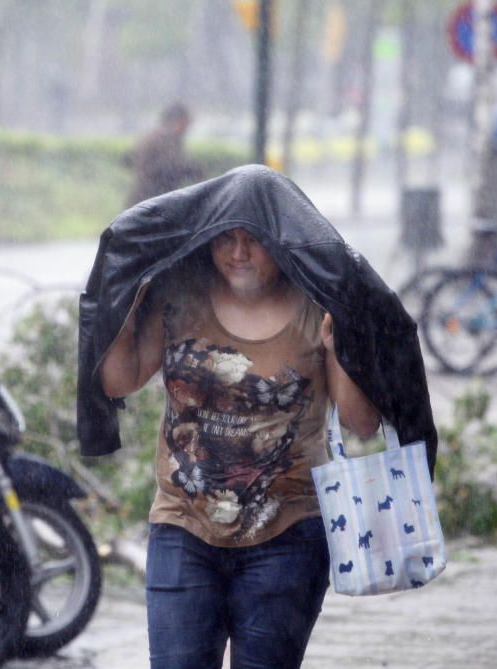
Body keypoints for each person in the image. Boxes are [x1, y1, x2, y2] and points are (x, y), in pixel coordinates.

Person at [98, 225, 380, 668]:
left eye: (254, 240)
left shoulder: (317, 306)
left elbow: (361, 423)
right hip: (183, 529)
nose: (238, 254)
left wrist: (342, 349)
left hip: (288, 538)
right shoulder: (178, 295)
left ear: (282, 239)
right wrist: (123, 310)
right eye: (225, 239)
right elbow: (119, 380)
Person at [124, 102, 204, 207]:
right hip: (153, 202)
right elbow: (170, 167)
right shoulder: (165, 139)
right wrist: (192, 170)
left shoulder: (152, 136)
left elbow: (128, 159)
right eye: (186, 123)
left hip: (144, 201)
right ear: (180, 122)